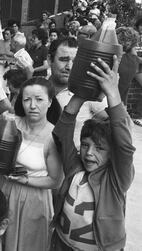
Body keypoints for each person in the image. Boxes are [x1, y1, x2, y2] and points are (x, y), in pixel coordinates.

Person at [50, 56, 135, 251]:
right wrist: (81, 94)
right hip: (62, 244)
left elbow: (124, 146)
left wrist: (112, 93)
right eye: (85, 145)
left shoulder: (116, 179)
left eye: (100, 148)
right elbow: (62, 134)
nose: (89, 153)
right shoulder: (75, 167)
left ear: (112, 154)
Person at [0, 77, 63, 251]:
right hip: (3, 190)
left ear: (50, 102)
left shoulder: (53, 136)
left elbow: (55, 181)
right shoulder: (12, 123)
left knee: (29, 245)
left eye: (39, 99)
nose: (32, 105)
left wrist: (26, 180)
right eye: (27, 99)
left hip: (34, 199)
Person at [48, 37, 108, 147]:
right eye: (63, 59)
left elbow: (110, 124)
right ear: (49, 59)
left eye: (75, 61)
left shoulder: (89, 91)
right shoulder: (36, 87)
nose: (69, 67)